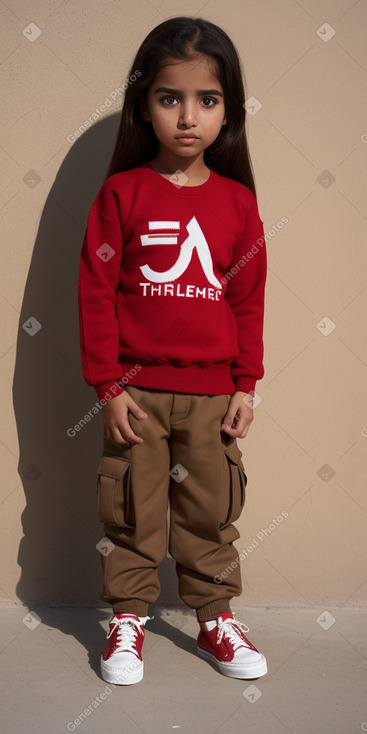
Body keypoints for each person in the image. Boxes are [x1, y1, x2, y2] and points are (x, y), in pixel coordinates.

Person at [78, 16, 267, 685]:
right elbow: (96, 294)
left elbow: (245, 301)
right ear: (144, 106)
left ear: (227, 111)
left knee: (209, 510)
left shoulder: (238, 204)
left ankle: (214, 616)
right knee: (131, 505)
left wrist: (245, 384)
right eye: (169, 98)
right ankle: (127, 618)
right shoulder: (119, 195)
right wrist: (106, 386)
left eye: (206, 100)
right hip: (135, 394)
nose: (188, 116)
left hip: (213, 397)